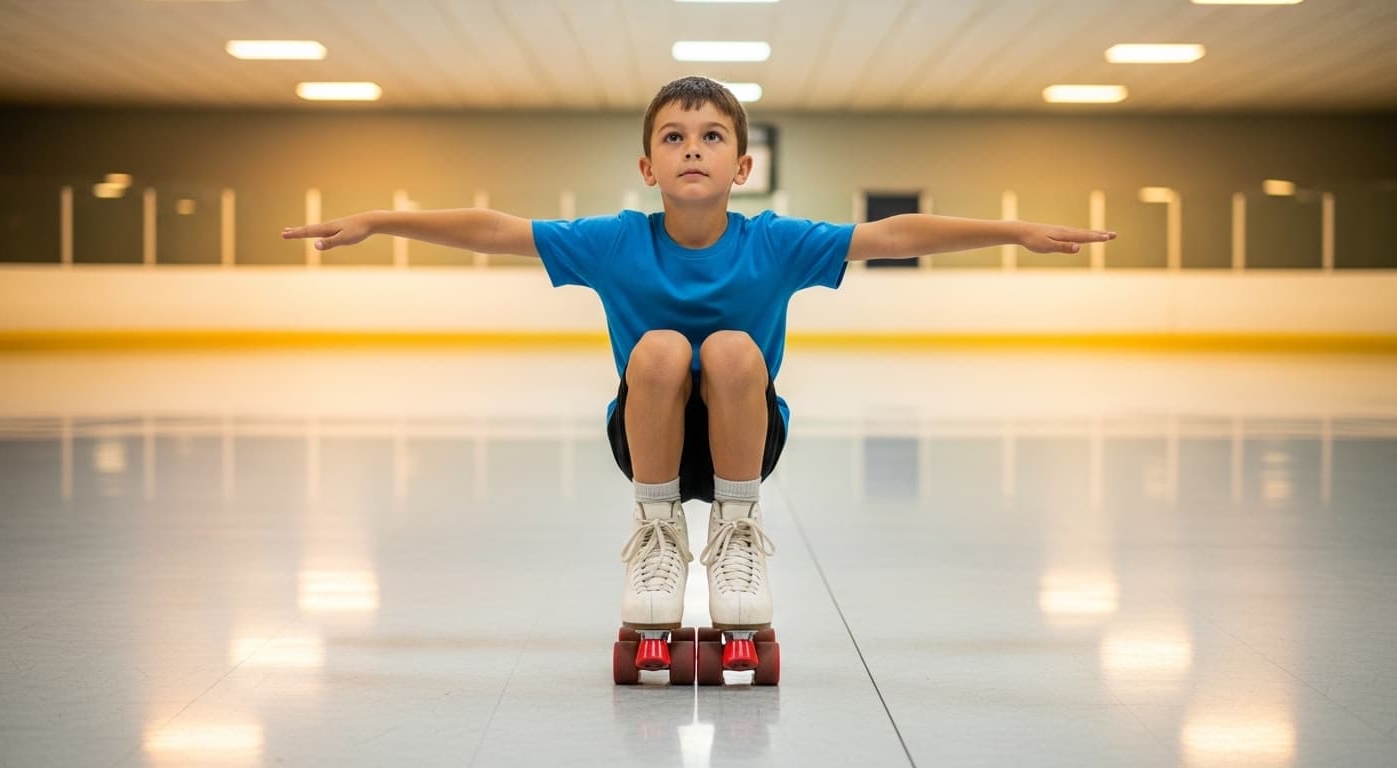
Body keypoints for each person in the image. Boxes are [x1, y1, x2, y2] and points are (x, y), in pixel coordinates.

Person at [282, 76, 1116, 679]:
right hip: (643, 435)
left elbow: (891, 236)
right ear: (648, 168)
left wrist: (1012, 228)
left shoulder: (776, 243)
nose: (692, 150)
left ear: (743, 167)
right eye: (674, 138)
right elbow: (497, 230)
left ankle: (737, 535)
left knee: (729, 351)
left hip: (744, 439)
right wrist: (380, 219)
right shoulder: (614, 240)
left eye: (711, 136)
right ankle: (656, 538)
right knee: (658, 352)